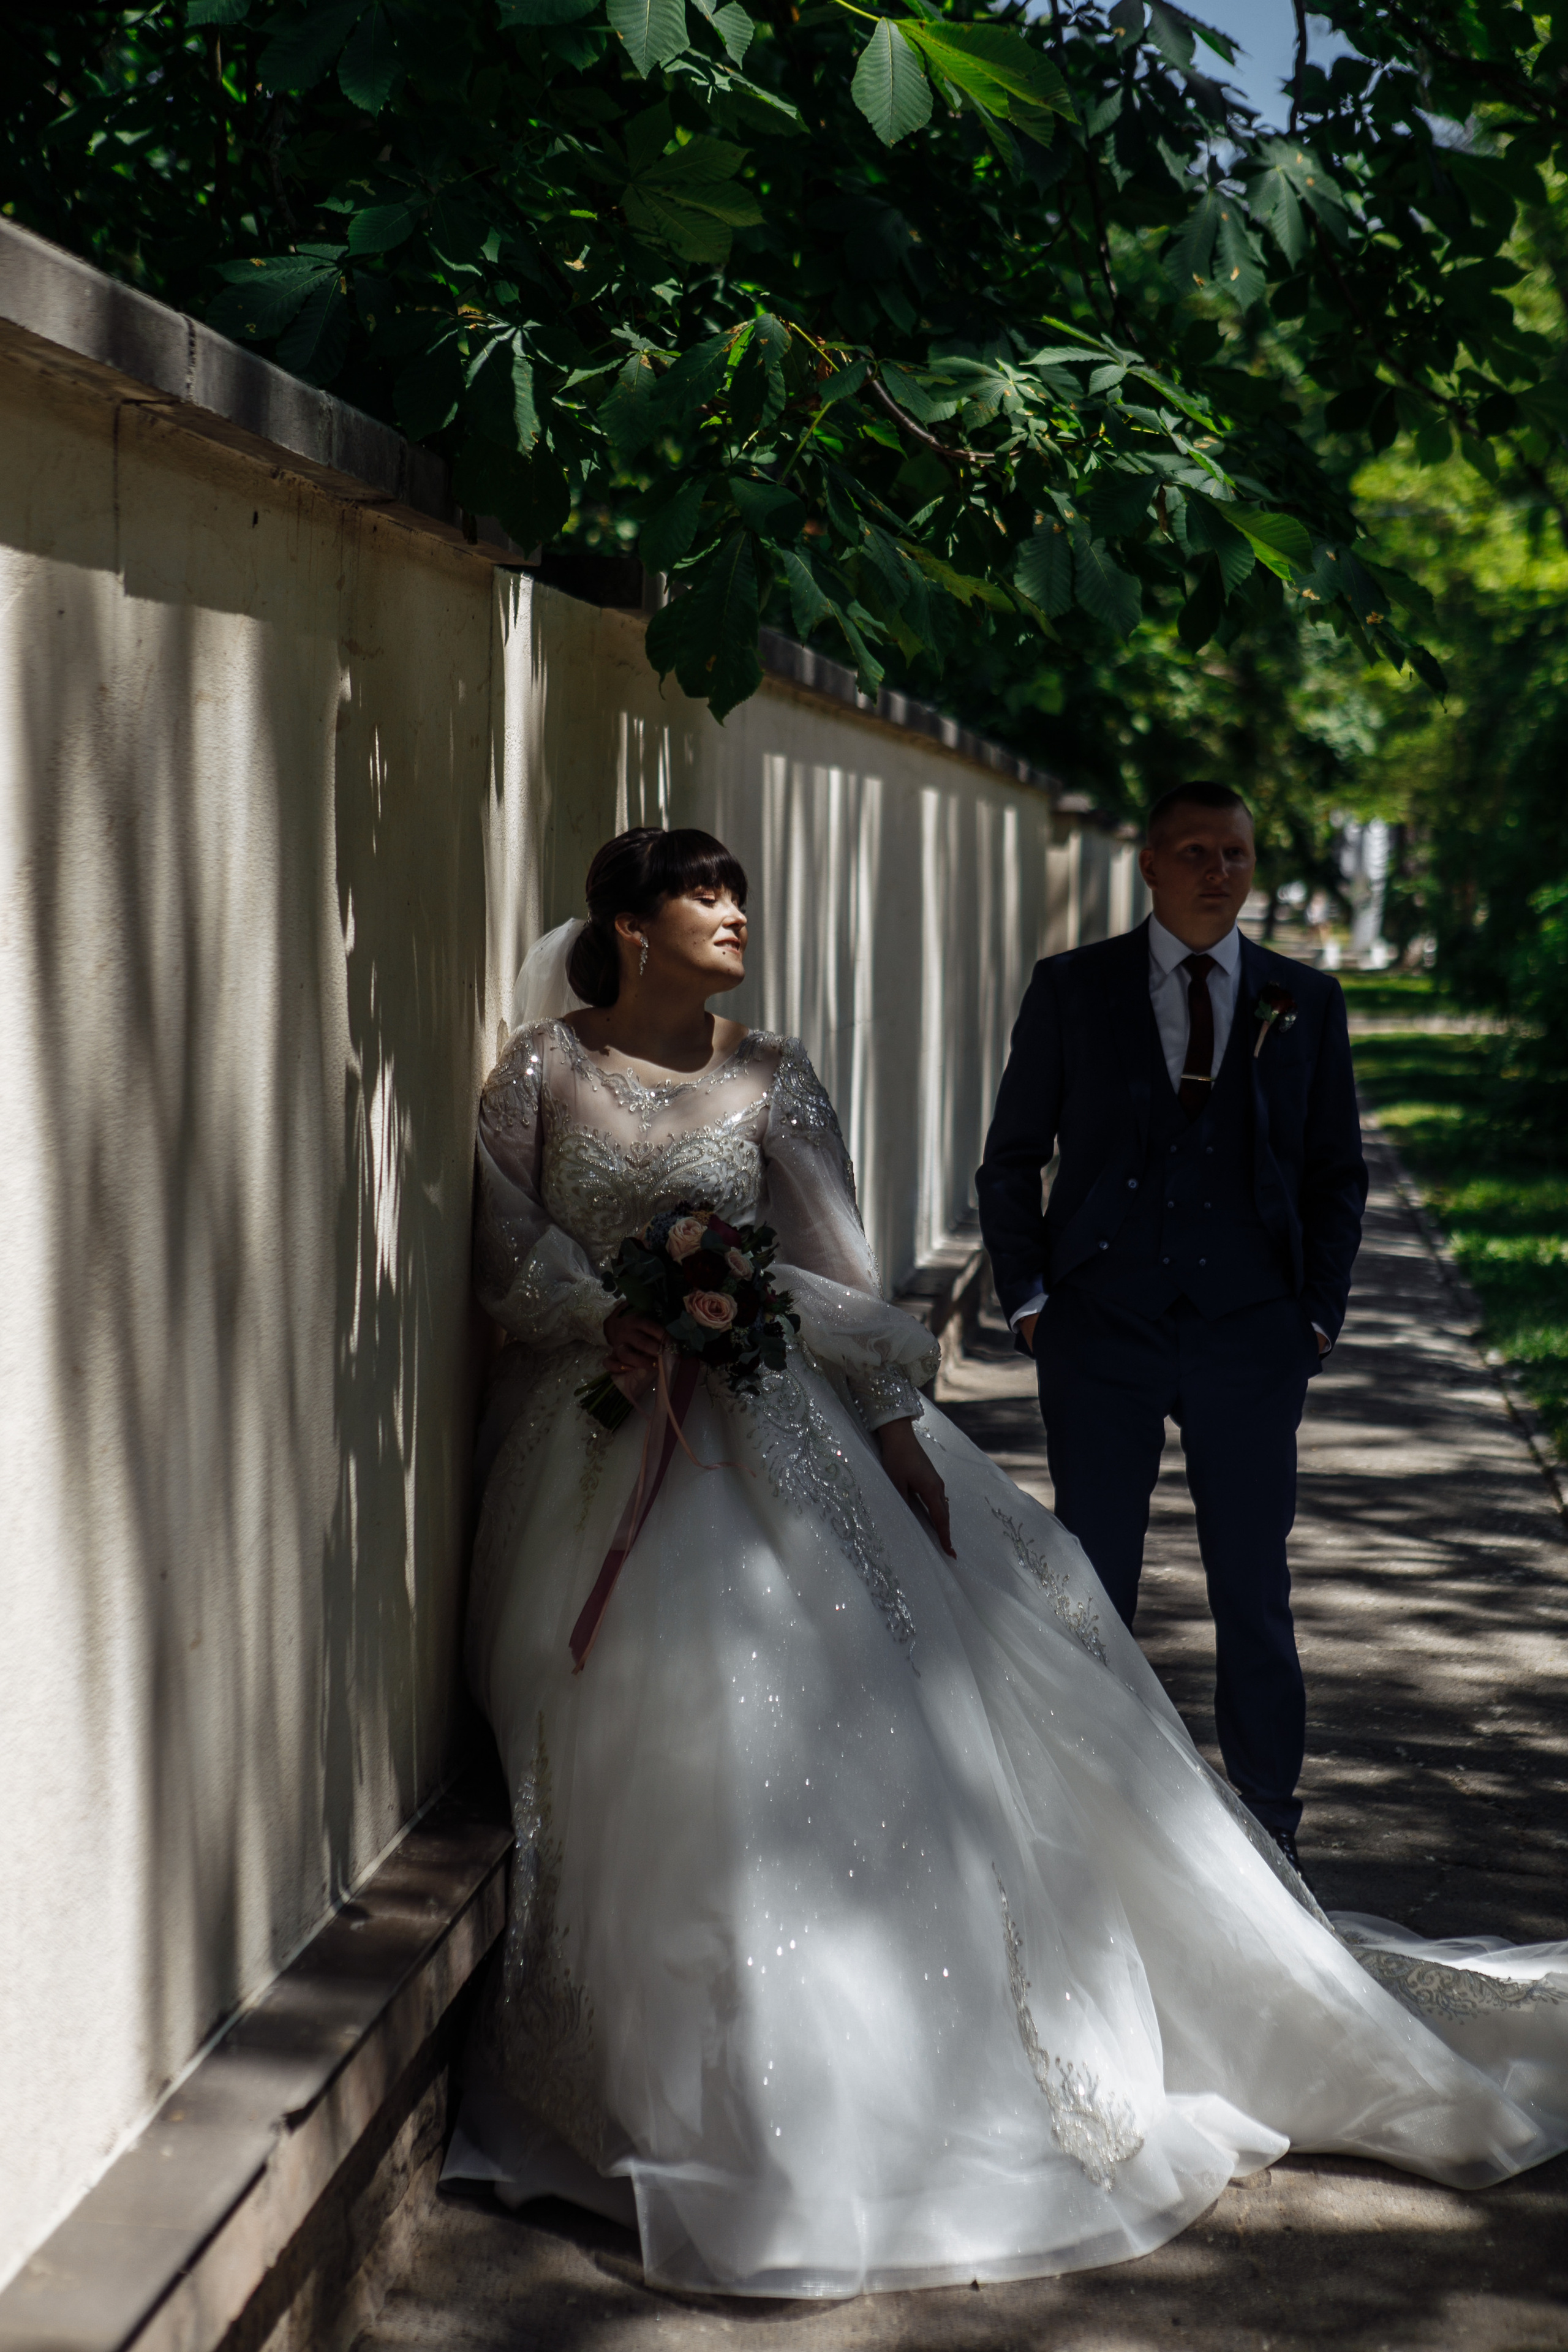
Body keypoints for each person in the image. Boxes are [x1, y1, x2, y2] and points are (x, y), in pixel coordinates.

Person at [443, 823, 1568, 2300]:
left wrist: (893, 1431)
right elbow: (506, 1243)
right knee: (634, 1739)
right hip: (591, 1433)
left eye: (735, 894)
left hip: (770, 1428)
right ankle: (674, 2084)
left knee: (808, 1709)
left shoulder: (770, 1074)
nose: (731, 915)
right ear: (629, 925)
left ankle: (845, 2094)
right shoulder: (541, 1069)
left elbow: (839, 1271)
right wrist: (608, 1313)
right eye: (701, 895)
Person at [976, 783, 1365, 1875]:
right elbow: (1011, 1160)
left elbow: (1339, 1173)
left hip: (1254, 1335)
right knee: (1094, 1581)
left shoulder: (1305, 1000)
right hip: (1100, 1327)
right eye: (1194, 852)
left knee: (1254, 1584)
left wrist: (1318, 1319)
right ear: (1148, 865)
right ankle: (1095, 1813)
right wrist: (1034, 1302)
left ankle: (1272, 1825)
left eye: (1235, 853)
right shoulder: (1073, 989)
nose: (1217, 872)